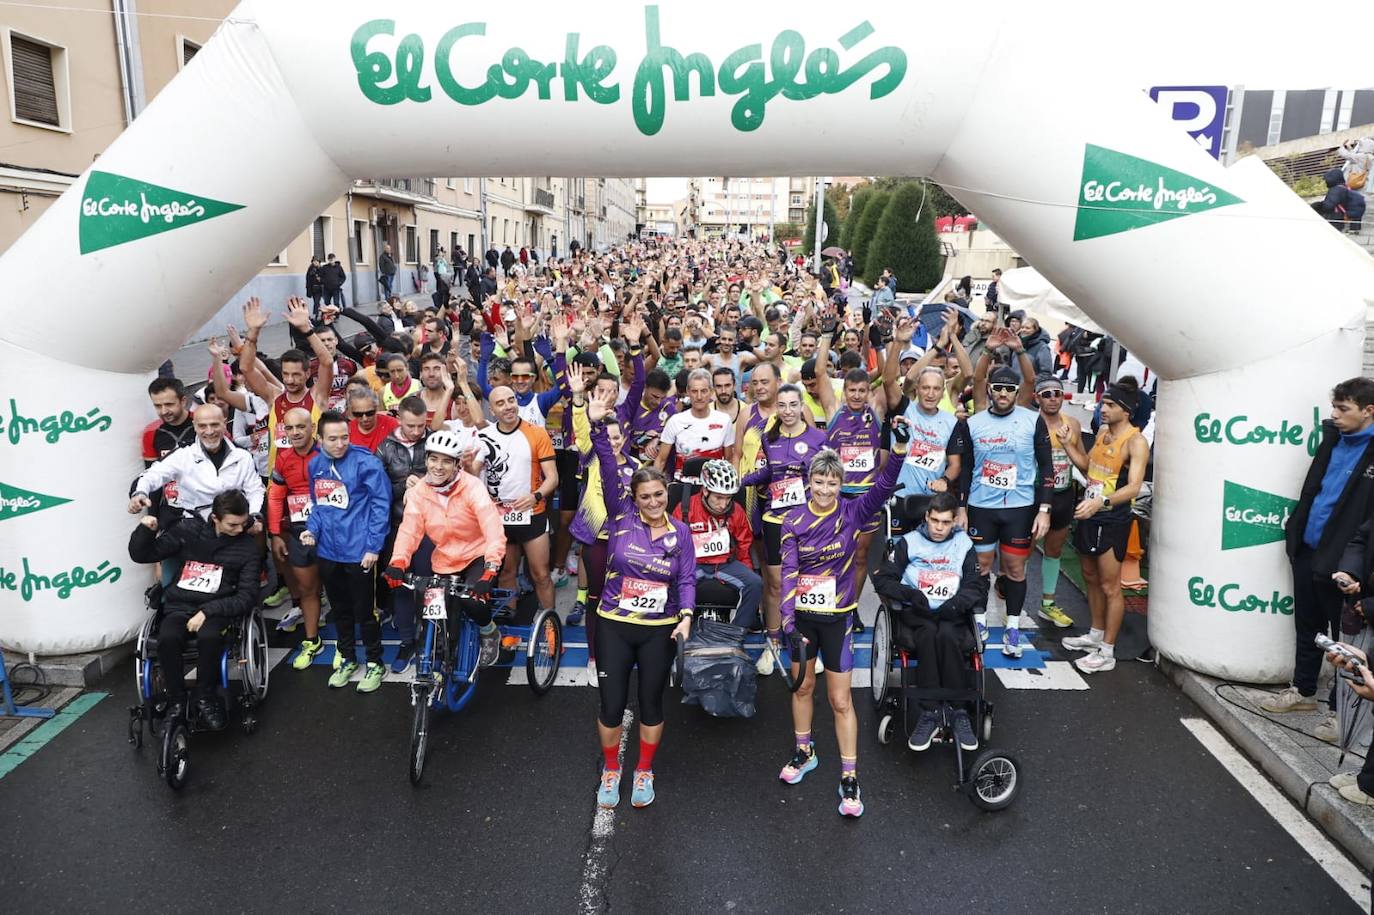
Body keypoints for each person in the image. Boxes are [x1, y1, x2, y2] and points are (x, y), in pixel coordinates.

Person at [777, 432, 906, 818]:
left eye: (833, 482)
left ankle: (850, 775)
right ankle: (804, 751)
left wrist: (897, 452)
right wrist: (786, 621)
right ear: (809, 482)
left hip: (838, 621)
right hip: (802, 620)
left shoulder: (851, 512)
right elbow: (787, 572)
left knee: (840, 700)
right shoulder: (793, 519)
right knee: (803, 689)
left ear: (840, 484)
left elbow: (883, 487)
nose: (825, 489)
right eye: (819, 481)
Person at [586, 386, 695, 811]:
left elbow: (686, 578)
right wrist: (596, 423)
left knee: (650, 703)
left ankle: (644, 769)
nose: (652, 502)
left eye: (659, 494)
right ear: (633, 497)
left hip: (658, 630)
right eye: (645, 496)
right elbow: (608, 463)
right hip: (614, 623)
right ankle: (611, 769)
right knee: (611, 704)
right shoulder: (619, 515)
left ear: (667, 493)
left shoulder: (680, 533)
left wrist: (686, 616)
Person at [1266, 378, 1374, 723]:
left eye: (1344, 409)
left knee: (1344, 640)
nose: (1335, 415)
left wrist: (1357, 566)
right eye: (1335, 407)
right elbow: (1315, 489)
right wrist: (1295, 531)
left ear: (1368, 411)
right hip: (1309, 548)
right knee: (1307, 626)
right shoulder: (1333, 440)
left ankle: (1338, 714)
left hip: (1346, 563)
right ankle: (1304, 692)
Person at [127, 490, 261, 731]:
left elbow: (247, 595)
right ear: (215, 518)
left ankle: (205, 697)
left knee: (209, 637)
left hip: (219, 609)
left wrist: (208, 611)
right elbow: (142, 554)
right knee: (167, 638)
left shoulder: (247, 547)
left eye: (243, 523)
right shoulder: (187, 531)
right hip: (181, 604)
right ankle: (176, 700)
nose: (240, 530)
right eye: (233, 525)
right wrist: (145, 531)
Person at [870, 492, 988, 751]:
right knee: (926, 634)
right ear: (926, 517)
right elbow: (883, 579)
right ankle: (929, 711)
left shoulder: (963, 544)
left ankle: (959, 711)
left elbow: (976, 584)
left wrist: (956, 604)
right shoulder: (909, 542)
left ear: (955, 521)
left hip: (952, 612)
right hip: (918, 612)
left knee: (946, 635)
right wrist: (910, 594)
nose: (938, 527)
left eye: (945, 522)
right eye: (935, 520)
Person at [384, 430, 508, 668]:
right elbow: (410, 529)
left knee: (472, 600)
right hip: (445, 558)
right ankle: (441, 662)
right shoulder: (420, 491)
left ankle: (488, 631)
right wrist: (398, 561)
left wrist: (490, 569)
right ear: (426, 459)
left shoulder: (472, 487)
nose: (438, 467)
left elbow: (493, 529)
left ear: (457, 464)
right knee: (435, 610)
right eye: (433, 459)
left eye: (446, 461)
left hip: (477, 554)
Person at [966, 347, 1054, 659]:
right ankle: (979, 622)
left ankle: (1013, 627)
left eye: (1010, 389)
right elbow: (965, 468)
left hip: (1020, 507)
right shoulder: (974, 422)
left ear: (1017, 393)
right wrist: (963, 507)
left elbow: (1047, 468)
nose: (1003, 394)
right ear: (990, 390)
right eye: (998, 388)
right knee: (980, 567)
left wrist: (1044, 510)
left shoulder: (1033, 421)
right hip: (981, 506)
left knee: (1015, 569)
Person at [1055, 382, 1149, 673]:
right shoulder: (1102, 433)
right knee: (1089, 576)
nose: (1102, 409)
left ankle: (1107, 651)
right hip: (1089, 511)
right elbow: (1088, 468)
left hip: (1111, 517)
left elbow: (1133, 487)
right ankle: (1095, 634)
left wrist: (1103, 503)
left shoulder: (1136, 442)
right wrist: (1069, 443)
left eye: (1109, 405)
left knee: (1110, 585)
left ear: (1126, 409)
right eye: (1102, 404)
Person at [299, 410, 392, 694]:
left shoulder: (367, 463)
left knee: (365, 611)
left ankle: (375, 662)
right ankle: (348, 658)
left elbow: (381, 506)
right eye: (332, 439)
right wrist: (310, 530)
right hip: (328, 551)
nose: (340, 444)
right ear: (320, 438)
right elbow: (319, 506)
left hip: (359, 551)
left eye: (344, 437)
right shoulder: (315, 465)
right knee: (339, 611)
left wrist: (373, 547)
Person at [742, 384, 828, 667]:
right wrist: (742, 481)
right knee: (776, 583)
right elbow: (770, 471)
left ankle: (806, 644)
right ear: (776, 408)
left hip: (807, 520)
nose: (788, 411)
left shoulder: (818, 437)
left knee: (804, 582)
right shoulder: (770, 437)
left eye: (793, 405)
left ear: (802, 405)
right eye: (782, 405)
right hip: (775, 519)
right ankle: (773, 642)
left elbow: (829, 475)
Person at [477, 385, 559, 619]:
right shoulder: (485, 437)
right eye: (500, 403)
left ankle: (550, 626)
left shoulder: (536, 433)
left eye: (511, 400)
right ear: (492, 410)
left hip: (532, 514)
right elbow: (473, 476)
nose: (508, 406)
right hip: (499, 518)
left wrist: (536, 496)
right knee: (506, 573)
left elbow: (552, 477)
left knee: (541, 574)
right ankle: (509, 626)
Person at [237, 297, 334, 472]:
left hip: (316, 476)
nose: (289, 380)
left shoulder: (317, 396)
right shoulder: (274, 397)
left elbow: (326, 361)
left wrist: (307, 330)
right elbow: (246, 367)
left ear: (307, 373)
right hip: (281, 479)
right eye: (286, 374)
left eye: (296, 375)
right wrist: (253, 333)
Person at [129, 402, 265, 526]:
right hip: (195, 528)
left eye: (215, 424)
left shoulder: (242, 456)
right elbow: (153, 475)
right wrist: (141, 493)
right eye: (202, 426)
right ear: (194, 426)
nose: (210, 431)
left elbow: (254, 490)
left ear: (224, 423)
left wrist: (254, 516)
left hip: (234, 527)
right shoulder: (183, 455)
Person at [375, 396, 432, 669]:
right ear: (399, 419)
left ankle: (432, 637)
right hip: (397, 526)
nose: (417, 432)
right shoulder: (384, 447)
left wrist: (424, 482)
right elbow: (378, 491)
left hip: (431, 527)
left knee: (430, 585)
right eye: (411, 426)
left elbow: (451, 481)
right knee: (401, 584)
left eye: (422, 426)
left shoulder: (434, 441)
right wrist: (402, 487)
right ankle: (407, 642)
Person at [265, 407, 328, 657]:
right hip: (300, 529)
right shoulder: (283, 459)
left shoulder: (328, 452)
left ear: (312, 428)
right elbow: (275, 498)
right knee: (307, 589)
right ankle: (312, 641)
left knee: (343, 588)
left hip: (334, 530)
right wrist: (275, 534)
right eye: (289, 428)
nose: (295, 432)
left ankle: (351, 644)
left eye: (300, 427)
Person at [672, 459, 761, 629]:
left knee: (755, 583)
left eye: (728, 498)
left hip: (725, 565)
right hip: (692, 565)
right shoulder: (684, 508)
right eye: (718, 498)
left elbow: (744, 546)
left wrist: (747, 571)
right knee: (671, 583)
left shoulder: (736, 511)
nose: (723, 504)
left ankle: (735, 633)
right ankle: (678, 629)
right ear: (705, 490)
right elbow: (673, 546)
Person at [1034, 377, 1078, 629]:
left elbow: (1082, 460)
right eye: (1047, 393)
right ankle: (1011, 605)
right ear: (1037, 398)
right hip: (1035, 495)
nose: (1053, 398)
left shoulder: (1072, 424)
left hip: (1063, 495)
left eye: (1057, 393)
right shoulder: (1031, 424)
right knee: (1022, 553)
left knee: (1054, 550)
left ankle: (1048, 604)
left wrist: (1068, 445)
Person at [655, 369, 736, 477]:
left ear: (711, 392)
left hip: (715, 488)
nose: (699, 397)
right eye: (694, 391)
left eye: (703, 391)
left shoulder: (724, 420)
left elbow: (729, 459)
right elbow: (661, 460)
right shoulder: (675, 421)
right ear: (688, 391)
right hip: (683, 487)